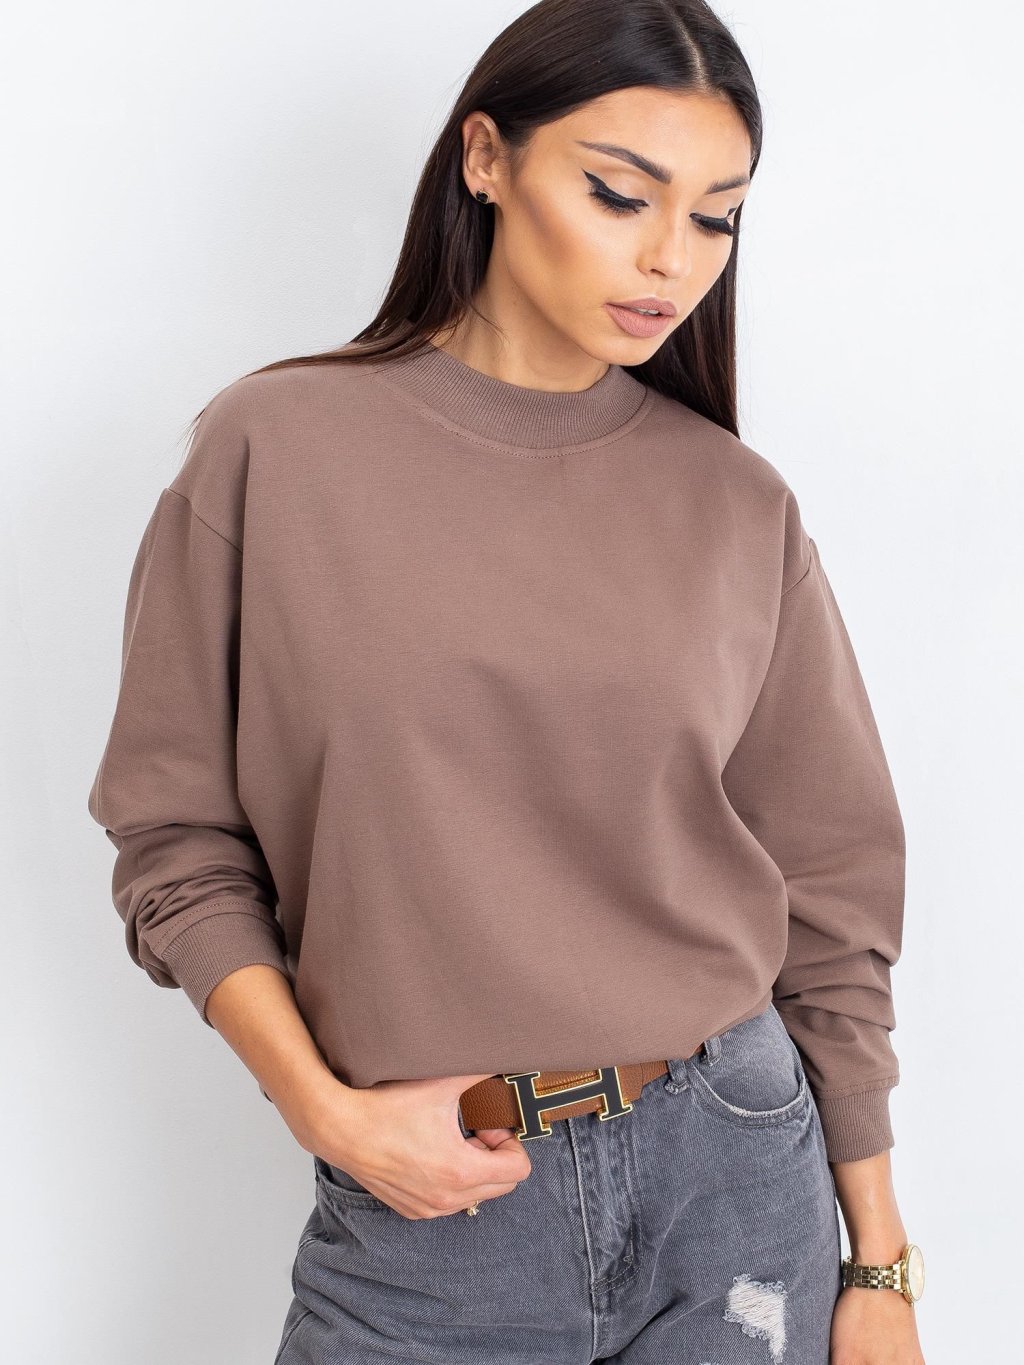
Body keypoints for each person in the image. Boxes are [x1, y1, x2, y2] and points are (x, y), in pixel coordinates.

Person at [86, 1, 927, 1360]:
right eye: (619, 195)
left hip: (734, 1172)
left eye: (717, 217)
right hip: (434, 1200)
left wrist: (878, 1263)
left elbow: (832, 895)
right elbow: (174, 838)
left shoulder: (735, 504)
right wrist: (323, 1109)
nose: (670, 258)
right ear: (485, 157)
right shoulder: (275, 449)